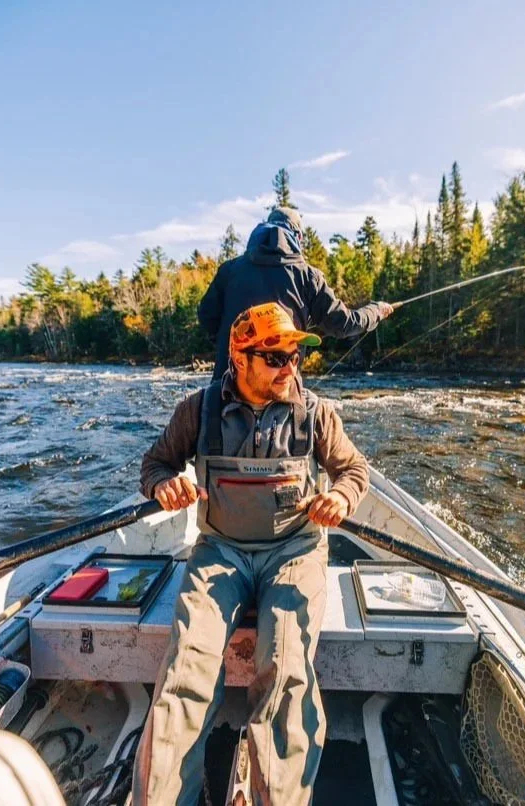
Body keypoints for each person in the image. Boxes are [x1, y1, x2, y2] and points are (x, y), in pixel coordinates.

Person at [133, 302, 370, 806]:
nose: (290, 367)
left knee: (285, 667)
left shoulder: (317, 414)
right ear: (239, 360)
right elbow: (153, 465)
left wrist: (341, 497)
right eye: (276, 358)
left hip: (295, 552)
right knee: (186, 668)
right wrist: (164, 487)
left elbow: (355, 472)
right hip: (220, 551)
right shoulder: (196, 412)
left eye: (295, 357)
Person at [198, 207, 394, 378]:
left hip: (226, 388)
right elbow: (343, 324)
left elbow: (206, 316)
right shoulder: (308, 276)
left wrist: (229, 343)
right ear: (298, 237)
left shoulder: (229, 270)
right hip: (281, 390)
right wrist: (377, 310)